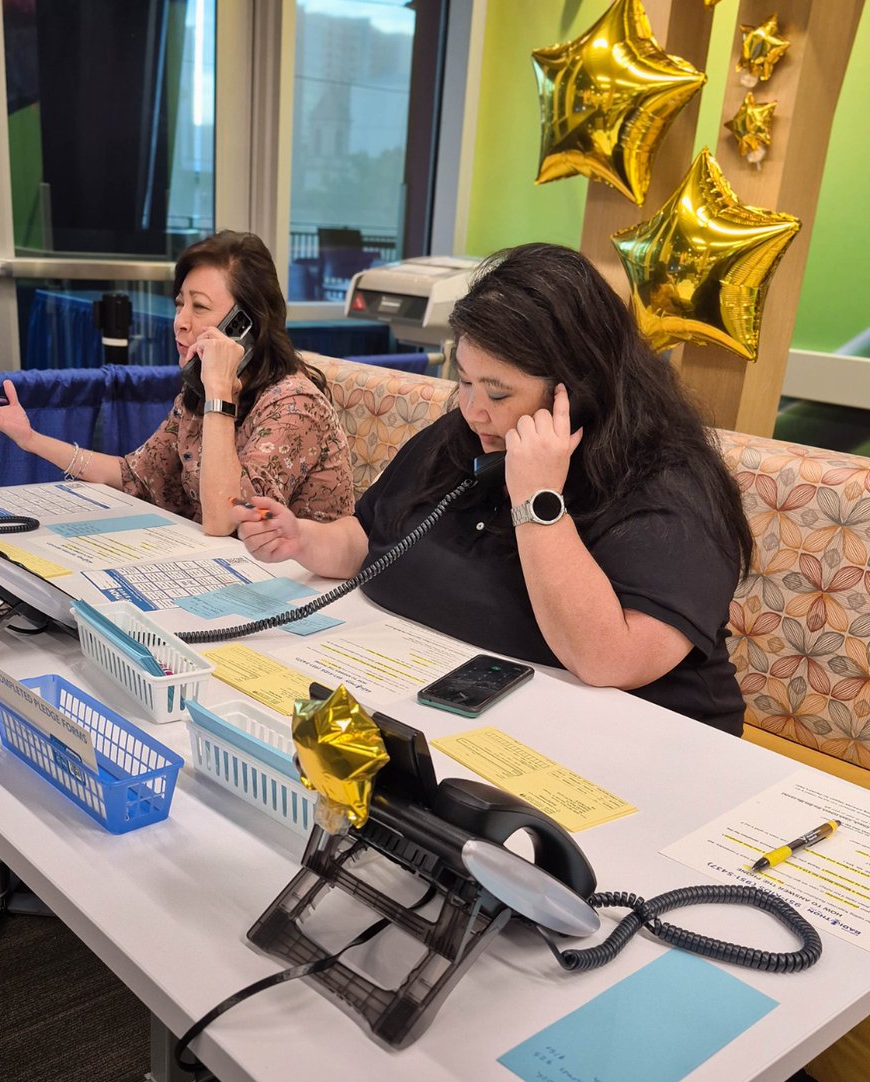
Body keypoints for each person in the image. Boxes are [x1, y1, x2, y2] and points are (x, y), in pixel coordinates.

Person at [230, 242, 753, 734]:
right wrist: (305, 539)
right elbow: (373, 537)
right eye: (465, 381)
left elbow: (607, 659)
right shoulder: (471, 433)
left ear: (579, 390)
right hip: (463, 717)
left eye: (499, 392)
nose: (474, 409)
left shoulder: (670, 490)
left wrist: (538, 502)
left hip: (638, 748)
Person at [0, 230, 354, 535]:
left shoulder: (294, 406)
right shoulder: (199, 392)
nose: (180, 322)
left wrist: (219, 393)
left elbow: (227, 517)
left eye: (199, 307)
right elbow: (134, 475)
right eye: (179, 303)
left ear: (245, 327)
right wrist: (30, 438)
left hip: (299, 591)